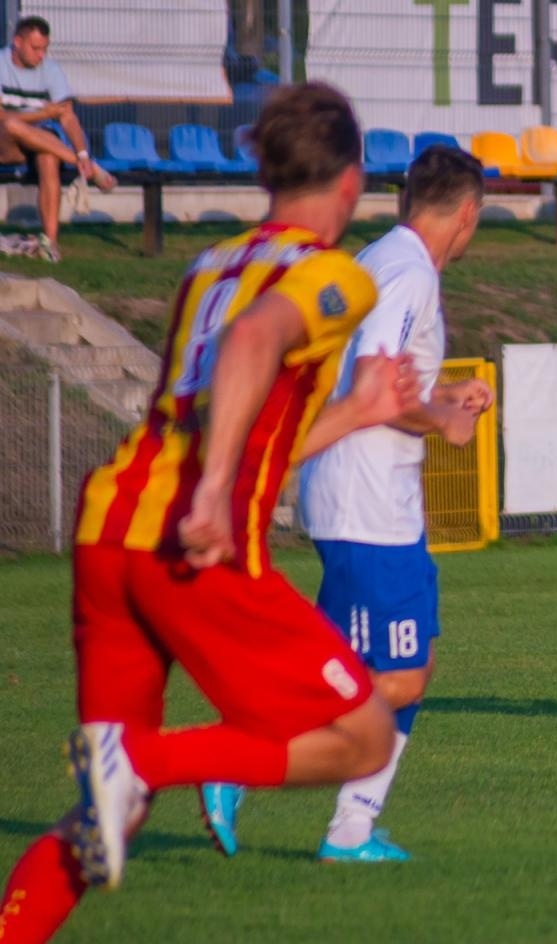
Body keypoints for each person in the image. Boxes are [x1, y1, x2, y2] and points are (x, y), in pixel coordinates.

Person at [0, 82, 416, 944]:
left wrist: (354, 414)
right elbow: (256, 341)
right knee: (358, 736)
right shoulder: (335, 277)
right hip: (193, 548)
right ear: (352, 179)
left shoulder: (209, 262)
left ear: (267, 173)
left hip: (109, 535)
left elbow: (222, 392)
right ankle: (145, 760)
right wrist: (216, 489)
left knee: (111, 819)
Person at [199, 145, 493, 864]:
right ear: (467, 213)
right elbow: (372, 388)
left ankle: (353, 829)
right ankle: (241, 763)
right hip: (366, 499)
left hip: (379, 495)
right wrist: (444, 420)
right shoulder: (406, 272)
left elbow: (381, 385)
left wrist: (442, 398)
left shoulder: (384, 259)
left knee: (395, 666)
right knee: (389, 676)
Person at [0, 16, 117, 263]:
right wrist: (44, 113)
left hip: (36, 143)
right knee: (11, 124)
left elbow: (68, 118)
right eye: (35, 48)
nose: (41, 55)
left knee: (48, 156)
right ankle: (88, 168)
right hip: (5, 145)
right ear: (17, 42)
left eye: (44, 48)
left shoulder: (51, 70)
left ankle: (49, 243)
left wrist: (83, 151)